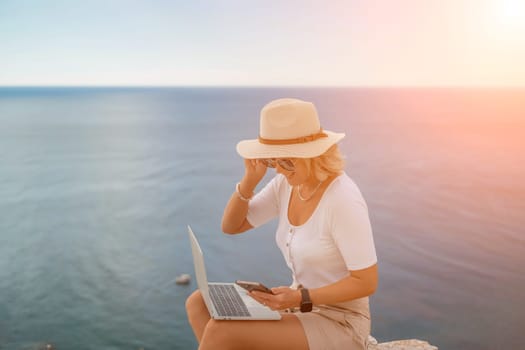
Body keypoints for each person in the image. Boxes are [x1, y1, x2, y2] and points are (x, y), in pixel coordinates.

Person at [185, 98, 378, 350]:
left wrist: (300, 297)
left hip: (340, 321)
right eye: (272, 160)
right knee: (199, 302)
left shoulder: (343, 199)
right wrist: (249, 182)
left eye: (286, 161)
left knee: (222, 331)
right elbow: (232, 225)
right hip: (301, 304)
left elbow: (366, 281)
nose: (279, 170)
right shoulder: (287, 184)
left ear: (314, 155)